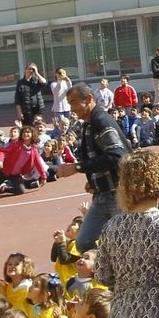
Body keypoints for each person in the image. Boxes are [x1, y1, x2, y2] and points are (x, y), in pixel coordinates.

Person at [55, 83, 131, 251]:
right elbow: (98, 155)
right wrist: (94, 181)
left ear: (88, 99)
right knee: (85, 242)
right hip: (101, 194)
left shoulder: (101, 121)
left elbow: (118, 155)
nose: (71, 108)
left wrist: (77, 167)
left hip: (117, 194)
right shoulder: (88, 124)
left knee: (124, 242)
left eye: (74, 102)